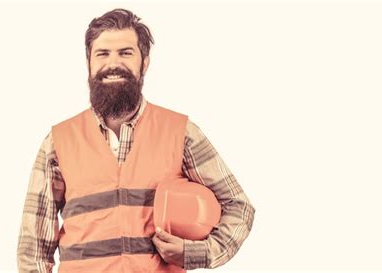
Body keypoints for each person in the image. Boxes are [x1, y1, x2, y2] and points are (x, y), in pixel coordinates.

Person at [17, 8, 255, 273]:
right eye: (102, 53)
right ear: (89, 63)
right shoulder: (57, 141)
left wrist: (197, 254)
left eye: (125, 53)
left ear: (145, 63)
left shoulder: (182, 132)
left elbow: (239, 206)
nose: (113, 63)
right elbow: (33, 250)